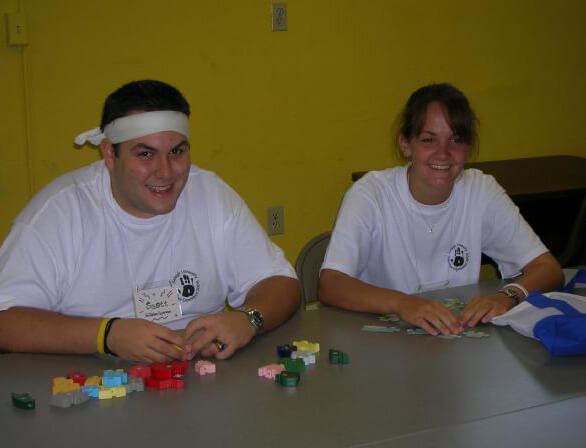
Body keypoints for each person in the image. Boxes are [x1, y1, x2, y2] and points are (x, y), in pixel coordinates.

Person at [0, 80, 300, 362]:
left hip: (200, 378)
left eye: (177, 152)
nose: (166, 172)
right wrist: (107, 335)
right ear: (109, 153)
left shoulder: (210, 194)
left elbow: (282, 284)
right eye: (145, 154)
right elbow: (6, 321)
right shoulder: (61, 211)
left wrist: (247, 318)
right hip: (94, 378)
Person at [319, 83, 563, 336]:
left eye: (456, 140)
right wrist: (403, 304)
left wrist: (508, 295)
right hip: (384, 341)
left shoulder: (481, 189)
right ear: (405, 144)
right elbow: (331, 285)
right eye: (428, 140)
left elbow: (548, 268)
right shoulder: (370, 193)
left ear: (469, 147)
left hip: (453, 339)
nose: (443, 153)